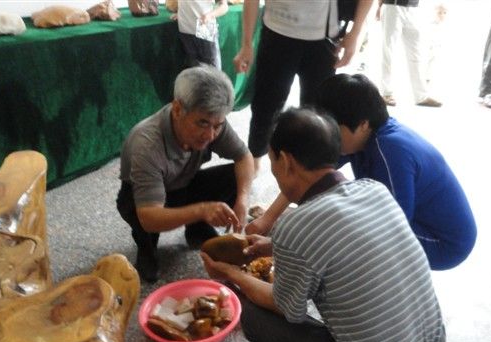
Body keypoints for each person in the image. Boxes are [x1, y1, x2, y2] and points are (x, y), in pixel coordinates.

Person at [202, 107, 446, 342]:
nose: (273, 171)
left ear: (285, 161)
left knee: (248, 312)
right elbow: (335, 240)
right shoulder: (374, 190)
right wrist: (271, 247)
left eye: (273, 162)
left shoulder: (297, 225)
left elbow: (287, 307)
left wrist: (231, 274)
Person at [248, 73, 476, 271]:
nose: (330, 137)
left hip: (442, 240)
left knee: (354, 238)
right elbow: (305, 177)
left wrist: (289, 242)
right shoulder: (356, 138)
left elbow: (391, 229)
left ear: (363, 124)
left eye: (335, 129)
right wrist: (268, 219)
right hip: (412, 219)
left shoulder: (391, 151)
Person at [116, 65, 254, 282]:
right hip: (141, 201)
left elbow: (244, 157)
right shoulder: (146, 144)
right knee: (146, 228)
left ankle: (197, 229)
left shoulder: (213, 121)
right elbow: (149, 217)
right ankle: (146, 248)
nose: (210, 135)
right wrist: (202, 209)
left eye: (217, 126)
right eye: (202, 123)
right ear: (178, 109)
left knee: (234, 178)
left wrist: (243, 199)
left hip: (184, 184)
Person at [232, 0, 374, 173]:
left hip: (323, 37)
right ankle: (255, 161)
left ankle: (311, 172)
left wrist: (356, 32)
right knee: (265, 105)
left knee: (318, 114)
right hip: (278, 30)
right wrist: (246, 44)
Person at [378, 0, 442, 107]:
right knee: (388, 51)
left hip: (414, 8)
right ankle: (386, 93)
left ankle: (421, 96)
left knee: (416, 52)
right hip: (392, 5)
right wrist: (378, 6)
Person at [177, 0, 228, 68]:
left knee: (213, 71)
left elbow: (224, 6)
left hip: (205, 30)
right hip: (186, 30)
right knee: (193, 71)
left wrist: (210, 15)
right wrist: (179, 13)